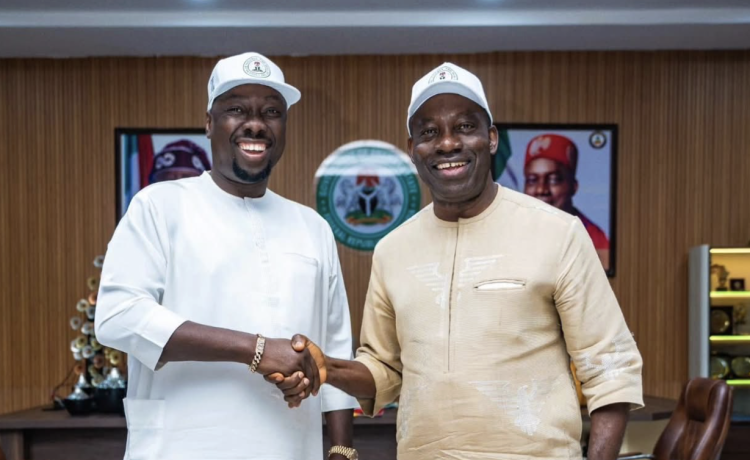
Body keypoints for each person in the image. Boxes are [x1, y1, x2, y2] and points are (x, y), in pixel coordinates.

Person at [272, 63, 643, 460]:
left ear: (491, 138)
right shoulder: (393, 249)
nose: (447, 143)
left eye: (465, 127)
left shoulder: (558, 233)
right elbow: (385, 372)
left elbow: (610, 369)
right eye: (430, 132)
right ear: (413, 148)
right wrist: (328, 368)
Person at [95, 52, 357, 460]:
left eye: (272, 112)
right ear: (209, 123)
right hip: (180, 448)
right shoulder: (158, 206)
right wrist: (255, 349)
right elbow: (118, 316)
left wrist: (342, 449)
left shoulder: (312, 226)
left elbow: (334, 350)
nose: (256, 123)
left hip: (290, 449)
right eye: (236, 109)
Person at [523, 134, 610, 270]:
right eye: (532, 180)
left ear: (573, 186)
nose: (541, 189)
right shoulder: (512, 231)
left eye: (553, 180)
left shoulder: (595, 240)